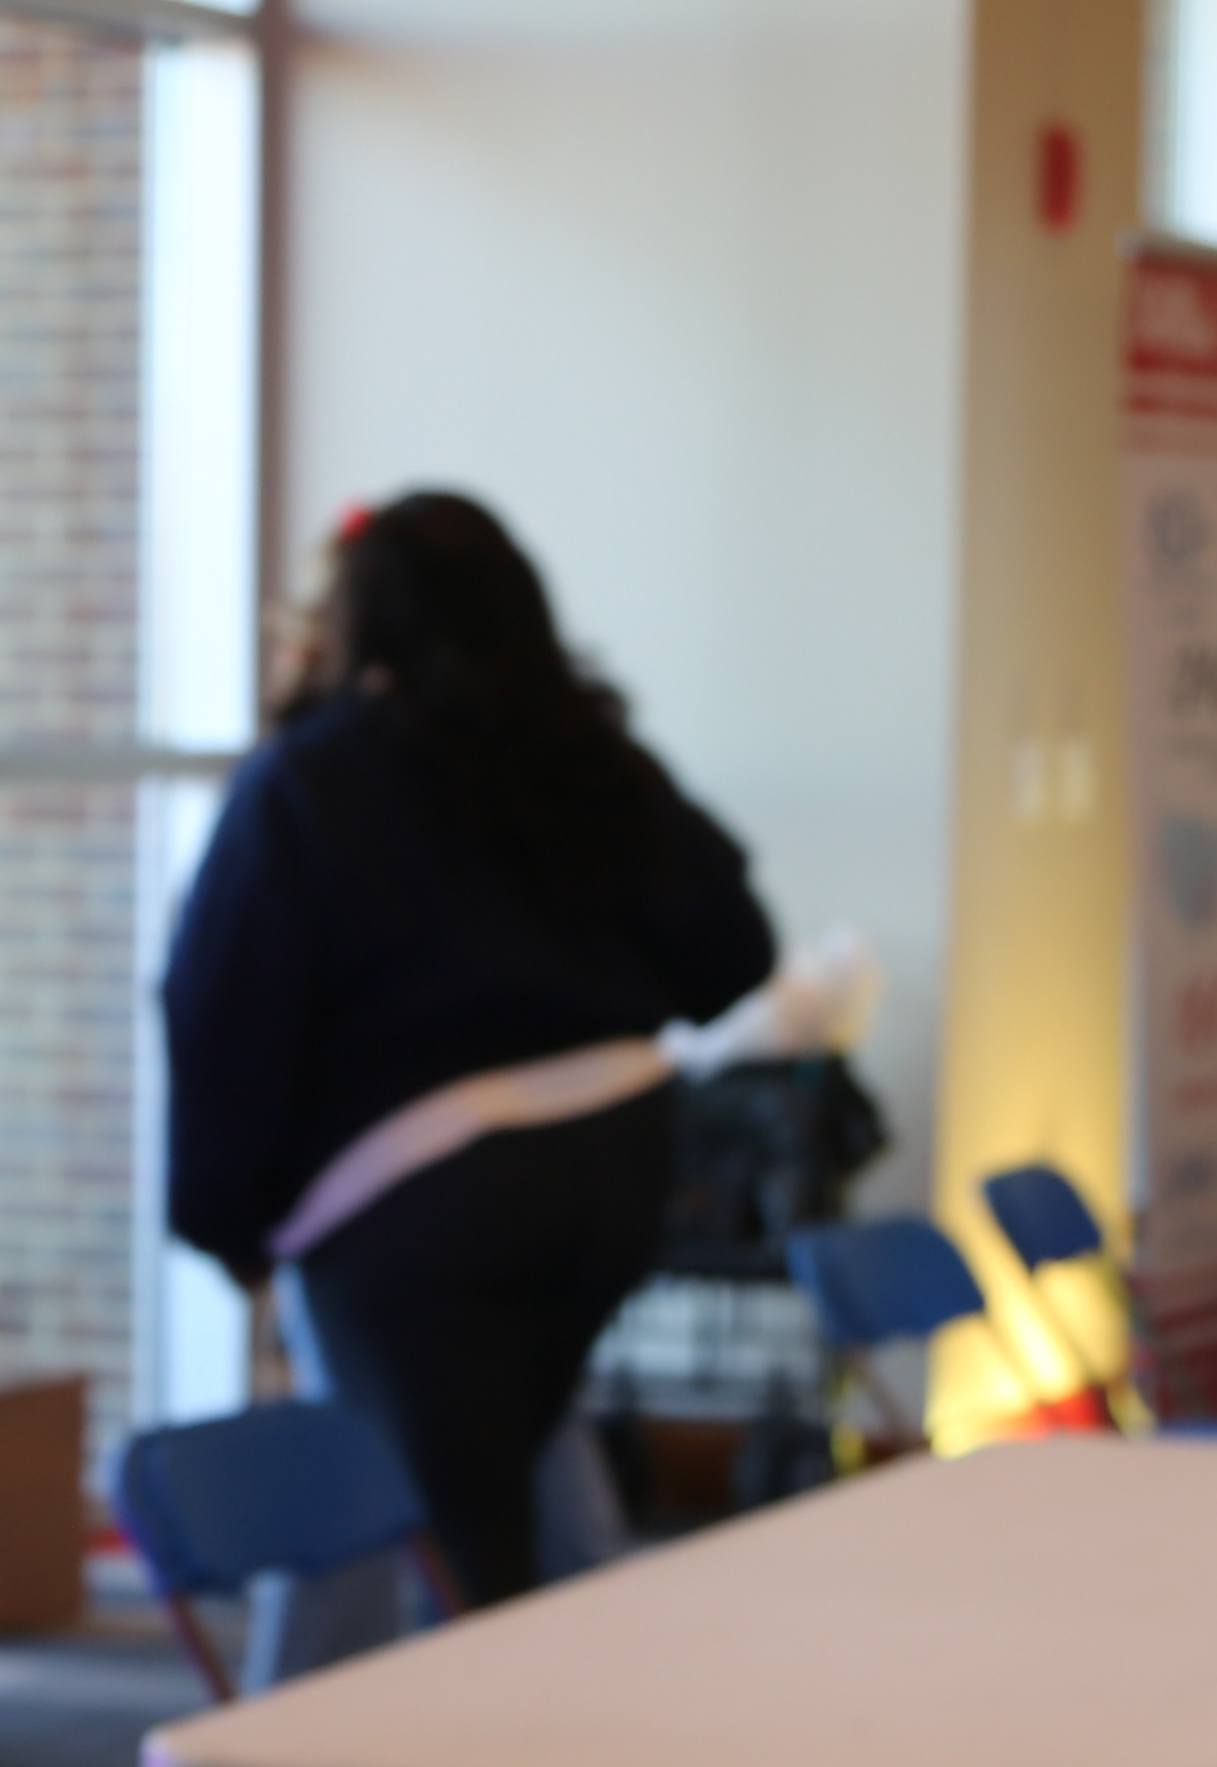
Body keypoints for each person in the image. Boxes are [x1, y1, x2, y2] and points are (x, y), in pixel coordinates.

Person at [161, 491, 777, 1606]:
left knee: (454, 1546)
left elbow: (222, 1015)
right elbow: (733, 950)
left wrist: (223, 1223)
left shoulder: (310, 778)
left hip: (420, 1204)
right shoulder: (586, 760)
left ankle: (414, 1761)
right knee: (502, 1485)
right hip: (616, 1167)